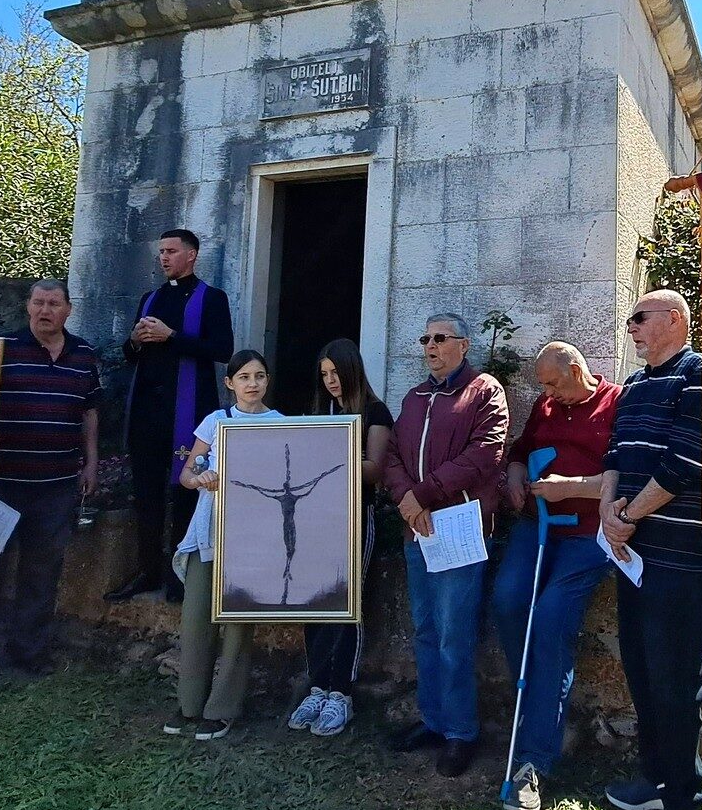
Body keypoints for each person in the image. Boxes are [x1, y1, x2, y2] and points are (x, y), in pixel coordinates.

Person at [598, 289, 702, 810]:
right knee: (642, 674)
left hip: (678, 555)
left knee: (675, 681)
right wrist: (608, 512)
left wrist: (627, 517)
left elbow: (686, 462)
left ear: (674, 320)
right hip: (632, 554)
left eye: (639, 318)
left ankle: (684, 802)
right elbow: (614, 457)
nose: (631, 328)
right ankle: (654, 778)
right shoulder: (634, 385)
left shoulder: (698, 376)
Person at [0, 280, 101, 684]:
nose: (45, 310)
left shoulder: (84, 354)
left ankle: (28, 652)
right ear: (28, 307)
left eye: (53, 303)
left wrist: (91, 463)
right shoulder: (3, 350)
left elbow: (89, 412)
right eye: (38, 302)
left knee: (42, 572)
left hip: (57, 484)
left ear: (69, 309)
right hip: (1, 484)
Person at [489, 341, 621, 810]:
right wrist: (514, 478)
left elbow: (623, 474)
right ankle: (534, 702)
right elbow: (521, 451)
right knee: (508, 599)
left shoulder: (616, 403)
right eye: (542, 385)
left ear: (578, 370)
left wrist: (570, 488)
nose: (546, 393)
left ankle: (534, 758)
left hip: (587, 534)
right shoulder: (545, 407)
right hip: (538, 525)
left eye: (553, 383)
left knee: (549, 620)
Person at [381, 312, 509, 778]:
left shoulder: (484, 391)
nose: (430, 346)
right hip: (417, 529)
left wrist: (424, 493)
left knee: (455, 634)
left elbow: (484, 455)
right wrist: (405, 498)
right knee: (426, 630)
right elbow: (392, 454)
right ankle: (433, 721)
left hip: (458, 528)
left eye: (440, 338)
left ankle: (460, 732)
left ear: (464, 344)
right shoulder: (414, 397)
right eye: (425, 338)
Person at [108, 229, 234, 603]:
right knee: (145, 495)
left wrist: (172, 336)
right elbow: (129, 355)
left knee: (187, 493)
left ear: (191, 255)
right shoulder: (150, 298)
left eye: (171, 251)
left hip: (189, 413)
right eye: (161, 251)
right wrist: (134, 340)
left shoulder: (212, 298)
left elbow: (223, 349)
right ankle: (148, 571)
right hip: (147, 413)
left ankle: (182, 576)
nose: (163, 257)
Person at [162, 350, 282, 740]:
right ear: (230, 383)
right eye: (244, 377)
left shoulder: (280, 424)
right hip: (210, 532)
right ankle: (189, 705)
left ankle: (222, 709)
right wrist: (200, 478)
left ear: (267, 381)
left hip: (252, 537)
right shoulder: (216, 421)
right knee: (196, 619)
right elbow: (188, 472)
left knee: (238, 624)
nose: (252, 384)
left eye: (259, 376)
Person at [286, 339, 392, 739]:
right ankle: (317, 687)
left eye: (336, 373)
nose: (331, 381)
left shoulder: (375, 412)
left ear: (352, 370)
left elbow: (374, 469)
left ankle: (341, 693)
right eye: (325, 374)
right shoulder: (319, 412)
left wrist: (333, 454)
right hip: (315, 518)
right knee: (314, 602)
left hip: (354, 517)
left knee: (347, 603)